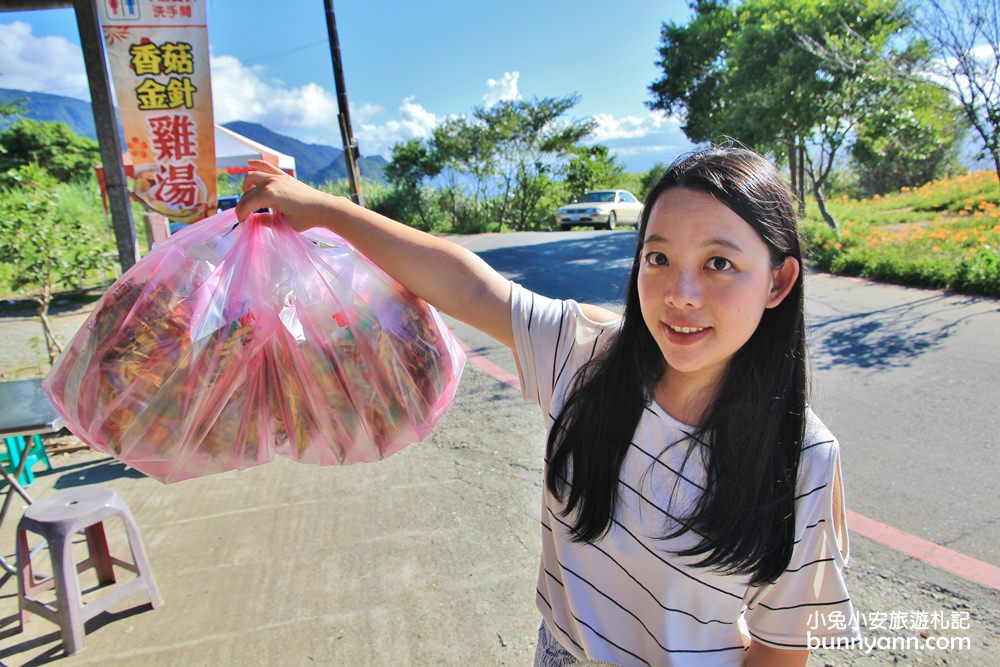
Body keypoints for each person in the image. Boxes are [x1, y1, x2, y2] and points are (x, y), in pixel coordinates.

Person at [236, 147, 861, 666]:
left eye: (719, 264)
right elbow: (466, 284)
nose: (681, 295)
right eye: (659, 258)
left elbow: (782, 649)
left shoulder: (803, 458)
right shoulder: (586, 357)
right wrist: (323, 210)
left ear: (778, 281)